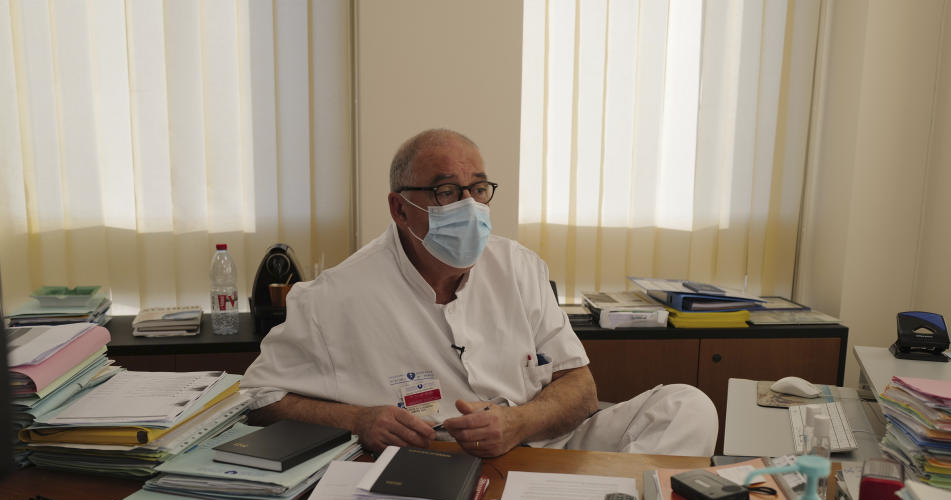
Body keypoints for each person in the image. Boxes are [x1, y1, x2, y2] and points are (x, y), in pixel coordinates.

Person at [240, 128, 717, 457]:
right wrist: (360, 421)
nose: (470, 207)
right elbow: (260, 398)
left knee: (688, 406)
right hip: (435, 464)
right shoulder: (335, 297)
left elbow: (581, 391)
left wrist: (518, 424)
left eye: (479, 188)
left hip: (547, 446)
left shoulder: (519, 266)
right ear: (400, 209)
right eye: (447, 192)